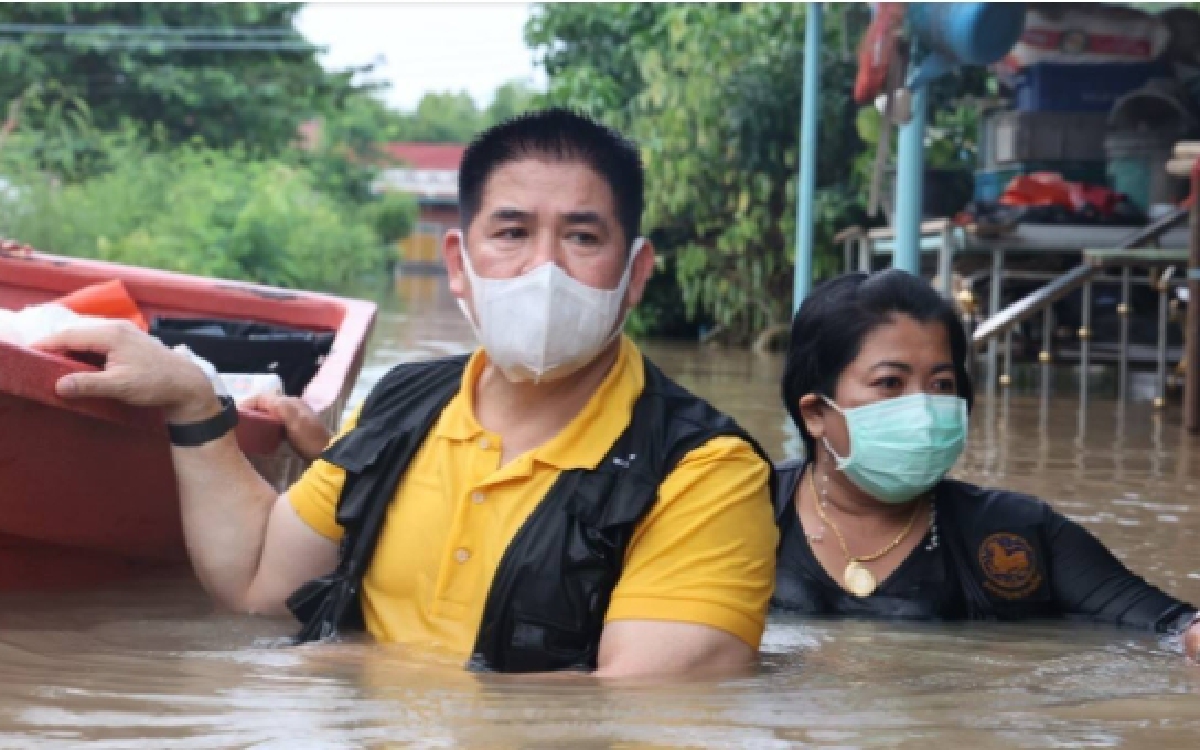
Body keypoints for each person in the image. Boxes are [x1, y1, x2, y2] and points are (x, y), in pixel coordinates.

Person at [35, 109, 779, 677]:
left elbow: (644, 710)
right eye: (512, 232)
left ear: (636, 273)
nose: (542, 269)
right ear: (459, 264)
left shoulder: (702, 472)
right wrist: (194, 405)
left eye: (583, 238)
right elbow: (259, 583)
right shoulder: (403, 403)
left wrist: (350, 663)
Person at [772, 269, 1200, 661]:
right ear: (815, 413)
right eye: (890, 383)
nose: (923, 409)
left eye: (942, 384)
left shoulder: (1015, 536)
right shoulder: (743, 510)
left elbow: (1171, 625)